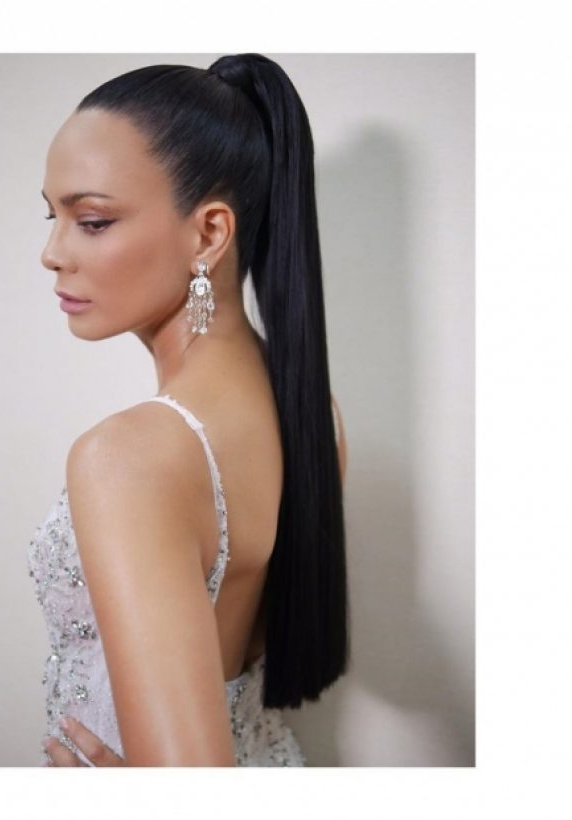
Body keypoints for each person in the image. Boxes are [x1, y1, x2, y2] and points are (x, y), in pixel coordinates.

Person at [28, 53, 350, 767]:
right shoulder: (312, 415)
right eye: (53, 216)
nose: (52, 252)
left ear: (208, 234)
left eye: (92, 220)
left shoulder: (131, 456)